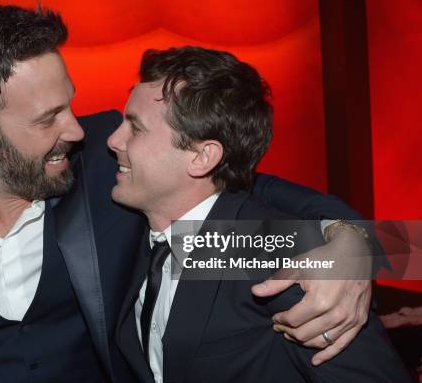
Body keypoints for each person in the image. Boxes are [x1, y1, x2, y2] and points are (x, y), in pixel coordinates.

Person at [0, 4, 383, 382]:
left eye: (69, 103)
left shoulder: (110, 164)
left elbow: (241, 187)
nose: (77, 129)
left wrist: (353, 242)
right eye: (49, 117)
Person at [110, 46, 410, 382]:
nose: (112, 140)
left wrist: (355, 239)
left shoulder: (280, 254)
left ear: (202, 157)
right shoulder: (134, 219)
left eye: (134, 128)